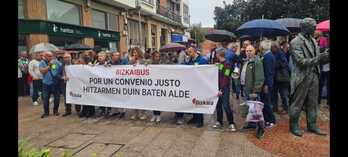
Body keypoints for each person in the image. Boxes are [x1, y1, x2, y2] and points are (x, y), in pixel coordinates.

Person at [289, 18, 329, 137]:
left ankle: (312, 125)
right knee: (298, 103)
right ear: (306, 27)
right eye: (313, 27)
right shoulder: (295, 42)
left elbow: (317, 59)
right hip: (302, 77)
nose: (315, 29)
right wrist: (320, 58)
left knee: (313, 103)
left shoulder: (313, 40)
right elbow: (301, 61)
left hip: (314, 75)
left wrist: (326, 56)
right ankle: (294, 126)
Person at [212, 48, 236, 132]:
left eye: (216, 54)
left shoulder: (227, 64)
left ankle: (231, 123)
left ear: (219, 55)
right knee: (218, 105)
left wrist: (221, 89)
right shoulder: (222, 64)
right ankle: (219, 121)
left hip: (224, 88)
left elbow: (226, 78)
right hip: (219, 88)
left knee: (226, 105)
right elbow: (220, 73)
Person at [240, 45, 264, 130]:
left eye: (250, 51)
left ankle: (260, 128)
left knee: (256, 109)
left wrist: (256, 91)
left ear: (254, 51)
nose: (248, 52)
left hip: (252, 90)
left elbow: (259, 78)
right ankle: (251, 124)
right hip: (246, 88)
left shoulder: (257, 62)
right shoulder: (247, 61)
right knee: (250, 107)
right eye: (247, 51)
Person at [186, 46, 208, 128]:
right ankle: (194, 118)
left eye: (190, 52)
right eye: (188, 52)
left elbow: (206, 71)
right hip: (192, 84)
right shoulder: (191, 60)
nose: (189, 53)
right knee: (193, 101)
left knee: (198, 102)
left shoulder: (202, 60)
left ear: (194, 51)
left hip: (200, 85)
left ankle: (200, 121)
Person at [39, 51, 63, 118]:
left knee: (57, 98)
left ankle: (55, 111)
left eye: (51, 56)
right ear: (45, 56)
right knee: (46, 99)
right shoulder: (42, 62)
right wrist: (49, 66)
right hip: (46, 84)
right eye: (49, 56)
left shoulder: (55, 62)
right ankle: (46, 113)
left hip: (55, 83)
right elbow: (42, 71)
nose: (51, 57)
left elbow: (56, 70)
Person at [259, 40, 277, 128]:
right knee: (265, 102)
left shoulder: (268, 57)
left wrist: (266, 85)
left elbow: (269, 72)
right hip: (267, 83)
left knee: (266, 102)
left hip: (267, 84)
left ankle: (271, 120)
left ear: (263, 47)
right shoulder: (267, 56)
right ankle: (267, 120)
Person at [271, 41, 290, 114]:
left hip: (282, 78)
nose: (271, 49)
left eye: (272, 47)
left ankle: (286, 108)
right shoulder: (274, 53)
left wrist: (275, 65)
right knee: (274, 93)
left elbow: (284, 63)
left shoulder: (280, 53)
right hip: (276, 78)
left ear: (275, 47)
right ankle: (275, 108)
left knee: (283, 94)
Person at [106, 51, 127, 119]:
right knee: (113, 96)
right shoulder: (109, 62)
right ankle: (115, 110)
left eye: (118, 55)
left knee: (121, 96)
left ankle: (123, 111)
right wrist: (106, 66)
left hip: (121, 81)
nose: (117, 56)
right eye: (115, 55)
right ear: (112, 56)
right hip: (113, 82)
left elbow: (127, 67)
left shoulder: (123, 61)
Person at [129, 47, 147, 120]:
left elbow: (148, 63)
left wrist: (146, 64)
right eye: (133, 52)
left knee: (141, 98)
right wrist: (132, 61)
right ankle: (135, 113)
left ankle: (142, 113)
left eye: (135, 52)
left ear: (139, 53)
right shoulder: (131, 60)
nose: (134, 54)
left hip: (141, 81)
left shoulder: (142, 60)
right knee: (134, 98)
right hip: (133, 82)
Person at [61, 52, 81, 116]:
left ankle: (78, 110)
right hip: (65, 84)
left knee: (76, 96)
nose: (66, 59)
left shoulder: (75, 64)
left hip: (75, 84)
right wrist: (63, 77)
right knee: (66, 97)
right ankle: (68, 111)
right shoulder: (60, 65)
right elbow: (56, 74)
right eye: (65, 58)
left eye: (68, 57)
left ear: (70, 58)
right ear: (63, 59)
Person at [94, 51, 112, 118]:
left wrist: (109, 67)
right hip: (99, 85)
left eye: (101, 56)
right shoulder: (96, 64)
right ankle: (102, 110)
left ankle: (108, 110)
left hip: (107, 85)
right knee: (101, 97)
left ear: (105, 57)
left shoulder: (109, 63)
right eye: (99, 56)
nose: (100, 57)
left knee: (108, 98)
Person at [149, 51, 162, 123]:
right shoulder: (150, 63)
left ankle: (158, 115)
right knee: (153, 101)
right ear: (153, 57)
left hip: (159, 84)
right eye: (156, 56)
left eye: (158, 56)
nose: (157, 58)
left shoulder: (162, 63)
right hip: (152, 84)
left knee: (158, 101)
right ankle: (154, 114)